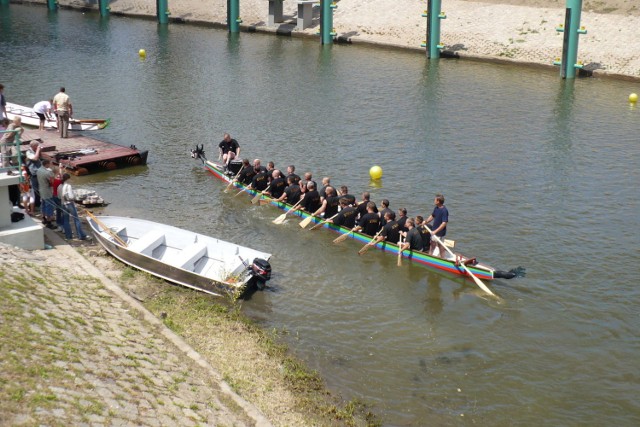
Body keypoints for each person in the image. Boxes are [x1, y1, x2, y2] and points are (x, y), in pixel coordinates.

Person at [59, 173, 90, 241]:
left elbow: (59, 196)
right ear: (68, 179)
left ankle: (68, 236)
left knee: (66, 220)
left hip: (63, 204)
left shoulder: (60, 186)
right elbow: (71, 197)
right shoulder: (68, 186)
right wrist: (75, 197)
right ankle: (81, 235)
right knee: (76, 219)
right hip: (69, 204)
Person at [37, 159, 59, 230]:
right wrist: (54, 174)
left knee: (43, 204)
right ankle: (49, 222)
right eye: (49, 164)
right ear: (46, 164)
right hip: (47, 191)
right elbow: (52, 183)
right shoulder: (48, 172)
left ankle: (44, 219)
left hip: (41, 189)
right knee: (49, 206)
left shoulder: (39, 170)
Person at [25, 140, 43, 210]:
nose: (38, 147)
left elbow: (39, 157)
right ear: (33, 146)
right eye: (37, 146)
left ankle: (38, 203)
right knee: (35, 190)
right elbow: (35, 158)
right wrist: (38, 150)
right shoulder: (28, 152)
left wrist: (39, 151)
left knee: (39, 189)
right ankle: (35, 205)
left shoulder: (35, 151)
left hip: (39, 172)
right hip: (34, 174)